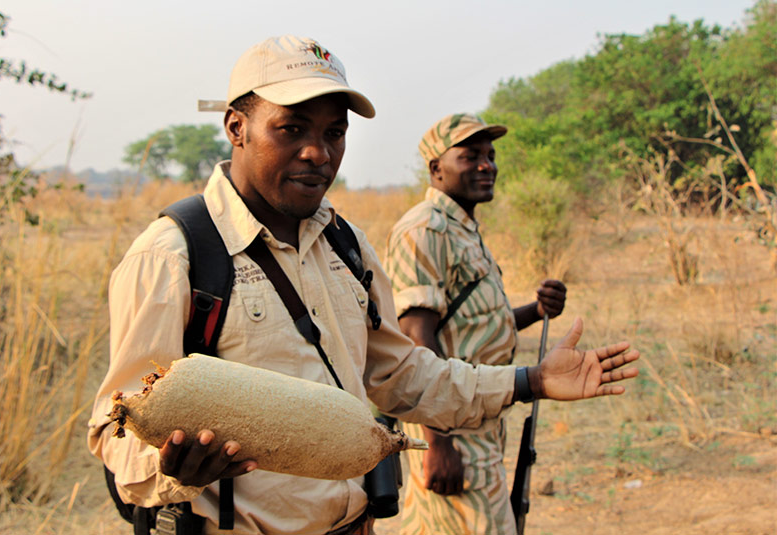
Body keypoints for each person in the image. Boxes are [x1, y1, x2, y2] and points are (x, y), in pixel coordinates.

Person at [87, 35, 639, 535]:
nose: (318, 152)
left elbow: (403, 374)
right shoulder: (174, 254)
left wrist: (528, 380)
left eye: (334, 133)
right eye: (291, 129)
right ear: (237, 127)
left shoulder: (344, 244)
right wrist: (172, 469)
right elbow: (116, 431)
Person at [384, 113, 570, 535]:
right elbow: (416, 338)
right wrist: (438, 442)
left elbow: (471, 324)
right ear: (437, 169)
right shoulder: (424, 228)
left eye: (490, 155)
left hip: (479, 421)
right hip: (451, 429)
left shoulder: (461, 226)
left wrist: (535, 311)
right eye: (470, 157)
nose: (487, 166)